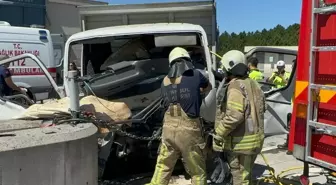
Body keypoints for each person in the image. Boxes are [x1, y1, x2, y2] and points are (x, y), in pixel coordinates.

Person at [146, 47, 212, 185]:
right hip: (189, 130)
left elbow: (165, 102)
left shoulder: (164, 81)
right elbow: (208, 87)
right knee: (198, 172)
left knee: (163, 167)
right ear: (187, 60)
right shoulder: (195, 75)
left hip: (168, 129)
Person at [212, 50, 266, 185]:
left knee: (240, 179)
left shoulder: (235, 86)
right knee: (246, 176)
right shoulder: (254, 84)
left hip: (241, 144)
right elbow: (262, 107)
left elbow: (234, 116)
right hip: (255, 141)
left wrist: (219, 133)